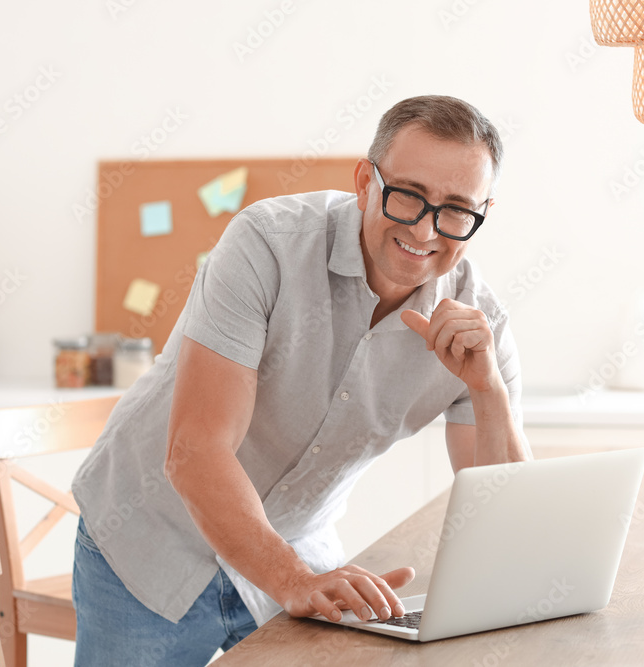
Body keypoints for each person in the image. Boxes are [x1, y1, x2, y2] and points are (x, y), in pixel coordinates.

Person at [70, 94, 530, 666]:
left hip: (296, 548)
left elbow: (507, 515)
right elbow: (196, 451)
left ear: (482, 212)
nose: (426, 228)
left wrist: (488, 392)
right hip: (149, 538)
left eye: (457, 209)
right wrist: (291, 580)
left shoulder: (477, 322)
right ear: (366, 180)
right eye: (408, 195)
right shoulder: (267, 244)